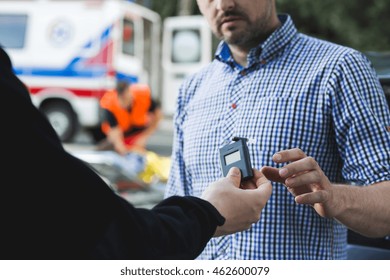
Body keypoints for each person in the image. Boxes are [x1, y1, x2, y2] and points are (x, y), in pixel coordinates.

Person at [164, 0, 390, 260]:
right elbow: (176, 212)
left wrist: (335, 198)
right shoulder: (191, 90)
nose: (224, 4)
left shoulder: (339, 68)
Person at [0, 46, 273, 259]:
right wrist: (208, 214)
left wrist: (142, 138)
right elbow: (107, 234)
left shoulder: (143, 95)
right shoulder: (110, 104)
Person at [98, 80, 162, 155]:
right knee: (104, 150)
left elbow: (158, 115)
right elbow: (114, 131)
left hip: (140, 131)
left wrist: (144, 137)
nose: (127, 102)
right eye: (123, 99)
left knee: (141, 153)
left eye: (127, 98)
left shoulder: (142, 96)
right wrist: (121, 147)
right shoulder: (110, 105)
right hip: (123, 135)